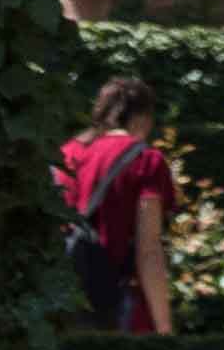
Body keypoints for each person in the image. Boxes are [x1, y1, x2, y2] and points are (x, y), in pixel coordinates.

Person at [57, 68, 176, 336]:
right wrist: (164, 329)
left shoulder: (66, 154)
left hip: (63, 305)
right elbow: (149, 249)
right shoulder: (146, 161)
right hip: (119, 305)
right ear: (143, 118)